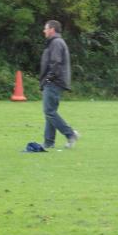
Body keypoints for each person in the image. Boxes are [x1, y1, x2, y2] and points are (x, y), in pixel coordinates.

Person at [40, 20, 79, 149]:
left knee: (49, 111)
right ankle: (49, 142)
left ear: (52, 29)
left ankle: (70, 134)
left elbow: (56, 63)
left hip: (54, 81)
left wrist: (49, 78)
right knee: (50, 112)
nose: (44, 31)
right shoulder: (55, 42)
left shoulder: (56, 43)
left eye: (46, 28)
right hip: (55, 81)